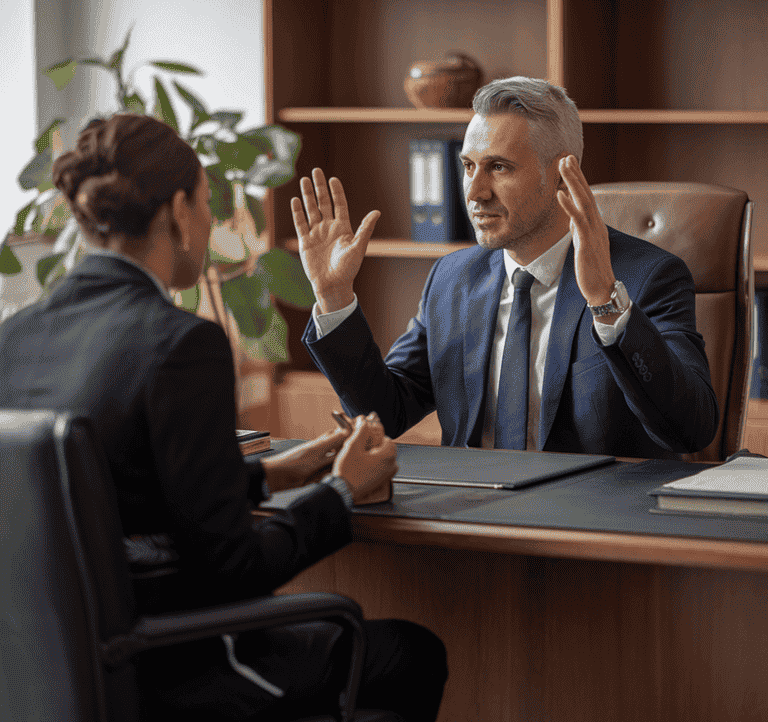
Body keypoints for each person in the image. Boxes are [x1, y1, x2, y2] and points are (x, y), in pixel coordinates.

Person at [0, 113, 446, 721]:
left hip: (48, 677)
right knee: (410, 653)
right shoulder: (182, 343)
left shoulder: (15, 338)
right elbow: (233, 573)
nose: (211, 225)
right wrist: (343, 493)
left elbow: (112, 494)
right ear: (178, 211)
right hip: (175, 667)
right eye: (209, 206)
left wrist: (274, 475)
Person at [291, 76, 719, 459]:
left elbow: (690, 432)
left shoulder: (649, 277)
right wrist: (334, 297)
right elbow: (387, 413)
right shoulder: (452, 278)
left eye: (498, 167)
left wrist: (606, 301)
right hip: (472, 518)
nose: (475, 192)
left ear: (561, 176)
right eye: (467, 166)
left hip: (587, 528)